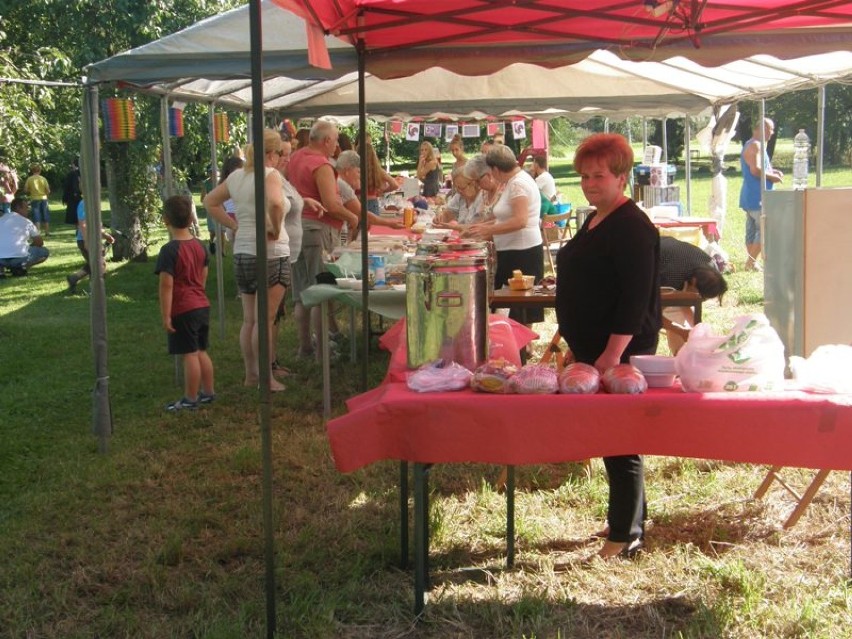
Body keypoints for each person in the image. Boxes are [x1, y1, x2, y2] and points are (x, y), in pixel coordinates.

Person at [554, 132, 661, 560]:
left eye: (599, 175)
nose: (589, 183)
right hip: (593, 345)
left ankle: (625, 534)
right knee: (613, 437)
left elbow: (635, 299)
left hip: (618, 349)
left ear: (622, 177)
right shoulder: (597, 217)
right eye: (583, 176)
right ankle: (632, 515)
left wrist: (611, 356)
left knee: (619, 439)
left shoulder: (633, 226)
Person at [203, 128, 291, 391]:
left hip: (242, 252)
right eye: (278, 153)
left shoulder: (236, 176)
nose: (278, 159)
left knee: (250, 320)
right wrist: (275, 228)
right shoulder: (270, 175)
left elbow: (210, 202)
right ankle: (266, 377)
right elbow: (276, 203)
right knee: (266, 319)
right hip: (271, 254)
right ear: (270, 154)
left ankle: (251, 374)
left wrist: (234, 225)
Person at [288, 120, 359, 359]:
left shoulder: (296, 157)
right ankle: (322, 353)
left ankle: (304, 346)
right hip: (317, 230)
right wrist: (352, 217)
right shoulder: (322, 165)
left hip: (295, 229)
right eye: (336, 140)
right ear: (326, 141)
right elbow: (330, 204)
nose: (337, 145)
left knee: (301, 292)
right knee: (320, 291)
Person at [463, 144, 544, 324]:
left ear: (496, 169)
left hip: (522, 253)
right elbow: (503, 217)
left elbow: (520, 220)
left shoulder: (518, 185)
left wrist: (488, 230)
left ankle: (521, 347)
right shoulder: (513, 181)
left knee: (518, 311)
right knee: (508, 308)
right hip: (512, 251)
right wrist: (480, 226)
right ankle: (517, 346)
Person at [155, 195, 216, 412]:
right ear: (191, 219)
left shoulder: (169, 251)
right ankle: (208, 392)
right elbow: (203, 275)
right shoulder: (200, 246)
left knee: (189, 354)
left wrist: (166, 315)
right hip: (201, 304)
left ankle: (190, 398)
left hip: (183, 307)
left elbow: (166, 285)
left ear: (165, 220)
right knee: (201, 350)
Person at [659, 236, 728, 354]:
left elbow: (686, 301)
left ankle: (679, 358)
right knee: (642, 331)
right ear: (694, 282)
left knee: (677, 314)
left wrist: (700, 332)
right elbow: (650, 314)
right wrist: (680, 331)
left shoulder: (709, 266)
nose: (701, 300)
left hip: (669, 254)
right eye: (701, 297)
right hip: (640, 260)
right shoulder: (670, 279)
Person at [739, 117, 783, 272]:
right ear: (763, 129)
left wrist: (772, 171)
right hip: (757, 195)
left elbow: (759, 167)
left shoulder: (753, 145)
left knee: (752, 230)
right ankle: (750, 262)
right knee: (763, 229)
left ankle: (751, 262)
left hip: (751, 194)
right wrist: (773, 177)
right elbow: (755, 170)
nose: (772, 133)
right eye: (771, 129)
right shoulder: (756, 146)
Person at [336, 150, 404, 230]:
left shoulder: (337, 181)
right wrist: (389, 223)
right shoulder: (343, 186)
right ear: (347, 171)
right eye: (358, 172)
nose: (360, 176)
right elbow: (362, 214)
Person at [66, 198, 115, 294]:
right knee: (100, 266)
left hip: (93, 239)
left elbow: (96, 226)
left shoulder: (92, 202)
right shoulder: (85, 203)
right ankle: (95, 293)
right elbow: (83, 224)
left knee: (94, 264)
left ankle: (74, 278)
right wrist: (87, 241)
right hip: (87, 239)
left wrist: (106, 236)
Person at [0, 196, 49, 276]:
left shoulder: (1, 219)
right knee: (44, 252)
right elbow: (39, 242)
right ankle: (22, 267)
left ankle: (1, 270)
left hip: (1, 258)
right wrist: (28, 247)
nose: (28, 210)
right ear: (18, 208)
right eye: (26, 208)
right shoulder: (27, 222)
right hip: (19, 258)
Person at [23, 163, 51, 235]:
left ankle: (38, 232)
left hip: (34, 198)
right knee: (45, 214)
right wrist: (46, 195)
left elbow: (25, 190)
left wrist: (30, 191)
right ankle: (47, 231)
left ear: (32, 171)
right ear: (40, 171)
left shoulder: (29, 179)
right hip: (43, 198)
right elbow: (48, 190)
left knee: (36, 215)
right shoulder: (43, 179)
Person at [62, 158, 82, 226]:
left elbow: (67, 186)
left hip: (73, 197)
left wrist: (65, 198)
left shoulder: (72, 174)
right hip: (80, 196)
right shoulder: (83, 173)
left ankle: (79, 230)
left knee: (75, 216)